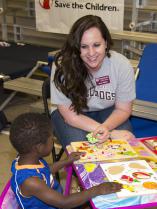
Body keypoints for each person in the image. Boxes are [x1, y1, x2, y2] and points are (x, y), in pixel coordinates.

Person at [10, 112, 122, 209]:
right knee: (94, 204)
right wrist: (97, 189)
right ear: (39, 147)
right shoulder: (30, 182)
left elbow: (44, 170)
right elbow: (65, 202)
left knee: (91, 207)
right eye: (51, 139)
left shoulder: (25, 159)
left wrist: (65, 161)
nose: (53, 141)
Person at [51, 15, 136, 149]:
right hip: (71, 114)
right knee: (83, 147)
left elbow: (123, 109)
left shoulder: (121, 64)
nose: (91, 53)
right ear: (76, 46)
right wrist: (110, 133)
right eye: (84, 46)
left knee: (125, 145)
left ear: (106, 43)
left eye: (96, 45)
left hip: (109, 111)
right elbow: (70, 116)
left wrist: (105, 128)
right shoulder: (63, 66)